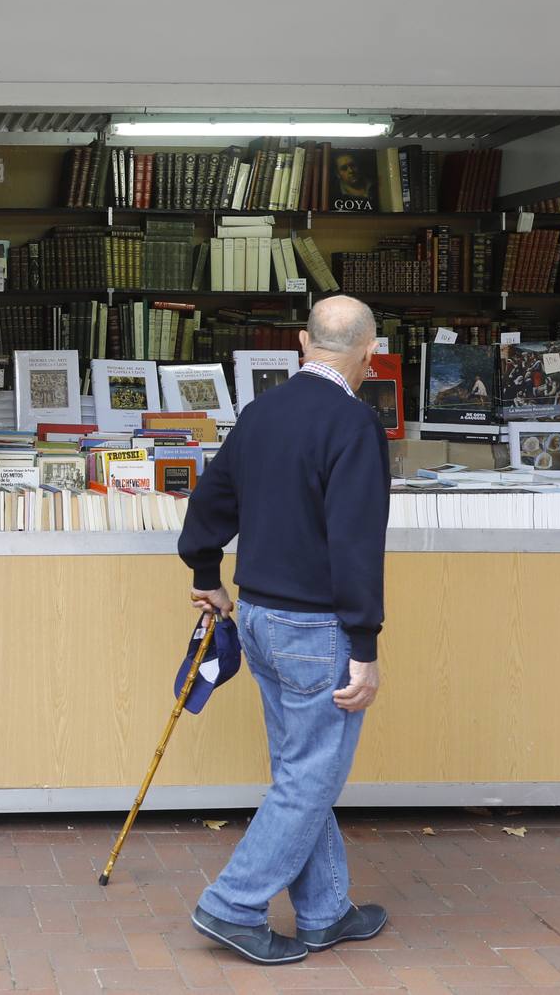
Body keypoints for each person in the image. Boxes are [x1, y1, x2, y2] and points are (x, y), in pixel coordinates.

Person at [179, 294, 390, 966]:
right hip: (316, 626)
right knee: (308, 778)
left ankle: (324, 912)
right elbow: (354, 544)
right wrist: (364, 647)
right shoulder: (354, 425)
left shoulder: (260, 412)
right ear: (369, 351)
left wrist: (206, 571)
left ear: (302, 342)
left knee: (303, 769)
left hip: (261, 617)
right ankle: (232, 904)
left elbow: (209, 501)